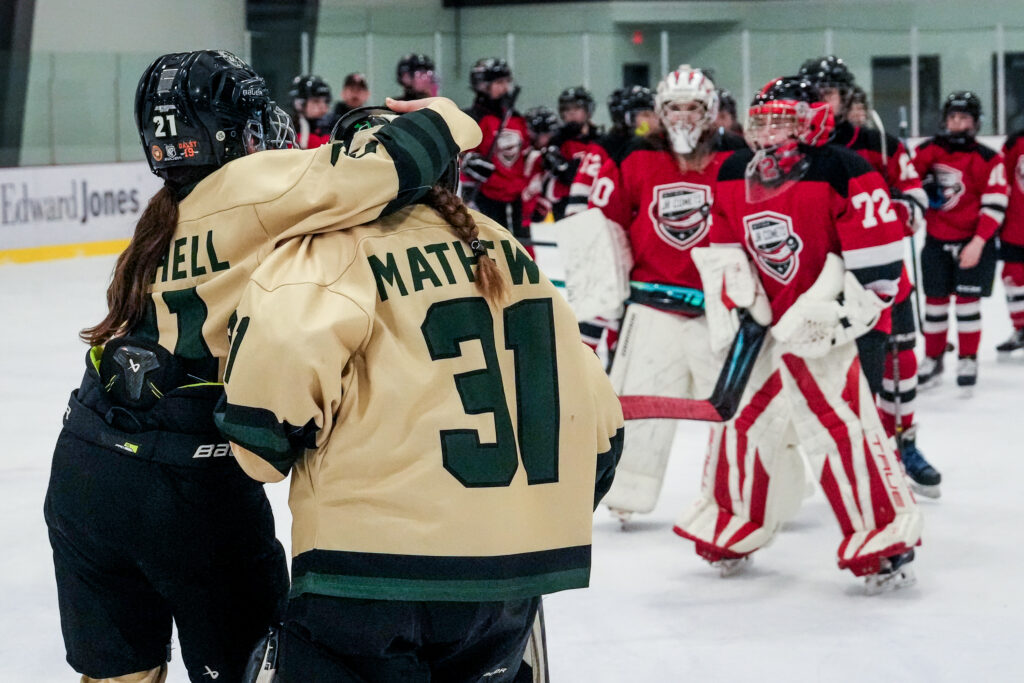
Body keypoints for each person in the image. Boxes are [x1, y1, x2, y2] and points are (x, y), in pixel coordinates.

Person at [42, 49, 481, 683]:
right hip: (189, 489)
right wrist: (442, 111)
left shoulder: (160, 217)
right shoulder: (254, 187)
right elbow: (391, 165)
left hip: (85, 471)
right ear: (231, 130)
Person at [215, 106, 624, 682]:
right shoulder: (502, 246)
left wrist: (270, 447)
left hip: (368, 574)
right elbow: (598, 421)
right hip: (507, 586)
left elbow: (263, 428)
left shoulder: (327, 251)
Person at [674, 76, 923, 593]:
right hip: (764, 325)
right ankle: (732, 522)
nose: (767, 132)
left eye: (781, 120)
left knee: (845, 427)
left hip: (824, 326)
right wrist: (743, 295)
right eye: (760, 121)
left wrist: (829, 314)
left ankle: (884, 537)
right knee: (742, 423)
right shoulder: (732, 170)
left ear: (813, 121)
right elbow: (723, 248)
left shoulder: (845, 168)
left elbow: (880, 267)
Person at [584, 66, 746, 521]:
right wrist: (600, 312)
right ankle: (628, 494)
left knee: (744, 408)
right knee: (639, 410)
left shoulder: (736, 158)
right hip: (652, 303)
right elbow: (607, 228)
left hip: (720, 308)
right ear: (658, 110)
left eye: (693, 106)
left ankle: (752, 493)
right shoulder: (635, 155)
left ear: (712, 111)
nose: (683, 116)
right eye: (674, 106)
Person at [800, 54, 941, 495]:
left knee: (899, 362)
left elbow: (915, 199)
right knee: (834, 371)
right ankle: (844, 455)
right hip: (822, 284)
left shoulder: (880, 144)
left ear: (845, 96)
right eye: (815, 94)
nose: (823, 101)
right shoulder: (796, 152)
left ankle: (902, 443)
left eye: (830, 93)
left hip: (881, 276)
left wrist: (894, 209)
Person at [913, 91, 1008, 390]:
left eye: (964, 118)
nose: (957, 123)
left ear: (976, 122)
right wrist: (919, 186)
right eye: (953, 117)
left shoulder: (988, 158)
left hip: (971, 242)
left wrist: (978, 243)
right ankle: (933, 357)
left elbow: (994, 204)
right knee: (935, 305)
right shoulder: (927, 151)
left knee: (968, 304)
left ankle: (968, 357)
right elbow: (907, 184)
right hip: (936, 241)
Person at [460, 57, 530, 239]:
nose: (506, 88)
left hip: (515, 200)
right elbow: (454, 154)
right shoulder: (470, 117)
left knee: (521, 254)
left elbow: (526, 154)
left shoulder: (516, 118)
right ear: (482, 85)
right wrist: (466, 161)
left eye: (507, 82)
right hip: (482, 198)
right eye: (499, 82)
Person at [564, 84, 657, 218]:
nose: (653, 120)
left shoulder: (655, 146)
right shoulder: (605, 148)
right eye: (645, 115)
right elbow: (579, 198)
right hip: (609, 227)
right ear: (626, 118)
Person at [997, 127, 1024, 353]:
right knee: (1013, 278)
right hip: (1016, 227)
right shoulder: (1016, 142)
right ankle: (1021, 328)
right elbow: (1000, 179)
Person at [288, 73, 334, 148]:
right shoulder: (289, 132)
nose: (323, 106)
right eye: (316, 101)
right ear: (299, 104)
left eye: (326, 101)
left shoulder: (332, 125)